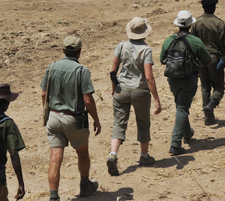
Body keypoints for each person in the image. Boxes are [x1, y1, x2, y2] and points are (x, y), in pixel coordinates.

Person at [41, 36, 101, 201]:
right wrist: (96, 119)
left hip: (54, 117)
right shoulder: (81, 71)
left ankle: (54, 197)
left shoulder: (51, 67)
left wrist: (47, 113)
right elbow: (88, 100)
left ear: (63, 50)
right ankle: (84, 186)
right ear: (79, 52)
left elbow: (43, 93)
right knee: (82, 153)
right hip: (74, 118)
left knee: (55, 158)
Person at [106, 17, 162, 176]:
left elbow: (113, 71)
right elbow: (149, 76)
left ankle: (113, 154)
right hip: (140, 91)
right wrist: (157, 98)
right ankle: (144, 156)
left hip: (121, 89)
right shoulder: (146, 50)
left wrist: (113, 88)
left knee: (119, 123)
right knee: (143, 123)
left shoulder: (121, 46)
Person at [160, 11, 211, 155]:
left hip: (172, 79)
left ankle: (187, 134)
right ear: (190, 25)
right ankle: (175, 144)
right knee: (182, 107)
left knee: (180, 105)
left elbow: (162, 59)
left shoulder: (168, 40)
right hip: (189, 78)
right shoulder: (195, 41)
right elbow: (207, 61)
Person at [190, 0, 225, 126]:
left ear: (203, 8)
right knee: (219, 86)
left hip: (201, 59)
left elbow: (193, 43)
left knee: (205, 86)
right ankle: (212, 103)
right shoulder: (219, 23)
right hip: (216, 59)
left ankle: (207, 115)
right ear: (214, 8)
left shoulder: (196, 23)